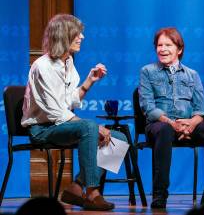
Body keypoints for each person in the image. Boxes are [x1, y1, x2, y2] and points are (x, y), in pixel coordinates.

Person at [21, 14, 126, 211]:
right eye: (77, 33)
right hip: (42, 129)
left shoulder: (67, 62)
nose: (82, 37)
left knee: (118, 137)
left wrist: (89, 82)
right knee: (89, 127)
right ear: (63, 36)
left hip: (60, 125)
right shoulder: (43, 67)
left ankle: (76, 187)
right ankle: (92, 192)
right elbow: (56, 113)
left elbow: (69, 101)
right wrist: (94, 127)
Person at [139, 27, 204, 209]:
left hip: (187, 125)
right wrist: (172, 123)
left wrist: (191, 124)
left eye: (168, 45)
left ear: (179, 49)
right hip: (159, 126)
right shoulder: (147, 71)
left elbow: (201, 109)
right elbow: (148, 107)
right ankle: (160, 194)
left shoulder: (192, 74)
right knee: (165, 130)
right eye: (159, 45)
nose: (163, 49)